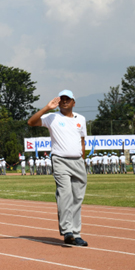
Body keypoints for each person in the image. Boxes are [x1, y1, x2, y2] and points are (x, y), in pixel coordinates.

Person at [28, 89, 88, 246]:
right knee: (64, 195)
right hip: (60, 160)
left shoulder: (81, 119)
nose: (65, 101)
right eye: (62, 99)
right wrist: (47, 108)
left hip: (78, 162)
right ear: (59, 102)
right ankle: (67, 231)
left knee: (77, 198)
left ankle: (76, 233)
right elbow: (31, 122)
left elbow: (82, 140)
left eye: (68, 99)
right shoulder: (51, 117)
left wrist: (83, 158)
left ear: (74, 102)